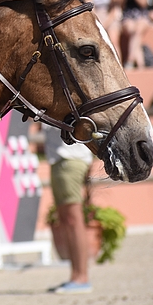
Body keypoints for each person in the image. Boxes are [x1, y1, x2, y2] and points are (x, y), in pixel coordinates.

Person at [44, 123, 93, 294]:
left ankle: (81, 277)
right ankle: (76, 275)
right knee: (67, 219)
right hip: (61, 158)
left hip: (69, 159)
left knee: (73, 219)